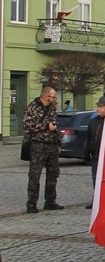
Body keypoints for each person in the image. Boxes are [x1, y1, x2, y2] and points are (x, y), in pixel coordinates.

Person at [23, 86, 62, 214]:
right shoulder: (33, 107)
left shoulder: (52, 108)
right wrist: (46, 126)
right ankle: (31, 204)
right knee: (35, 175)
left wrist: (58, 142)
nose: (54, 99)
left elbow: (55, 125)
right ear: (46, 96)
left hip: (52, 144)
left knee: (53, 174)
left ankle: (50, 201)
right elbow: (27, 125)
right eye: (52, 97)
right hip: (38, 145)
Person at [83, 94, 105, 210]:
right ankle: (97, 199)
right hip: (96, 157)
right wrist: (87, 154)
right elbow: (89, 139)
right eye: (98, 107)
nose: (98, 109)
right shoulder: (93, 122)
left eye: (101, 107)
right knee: (96, 179)